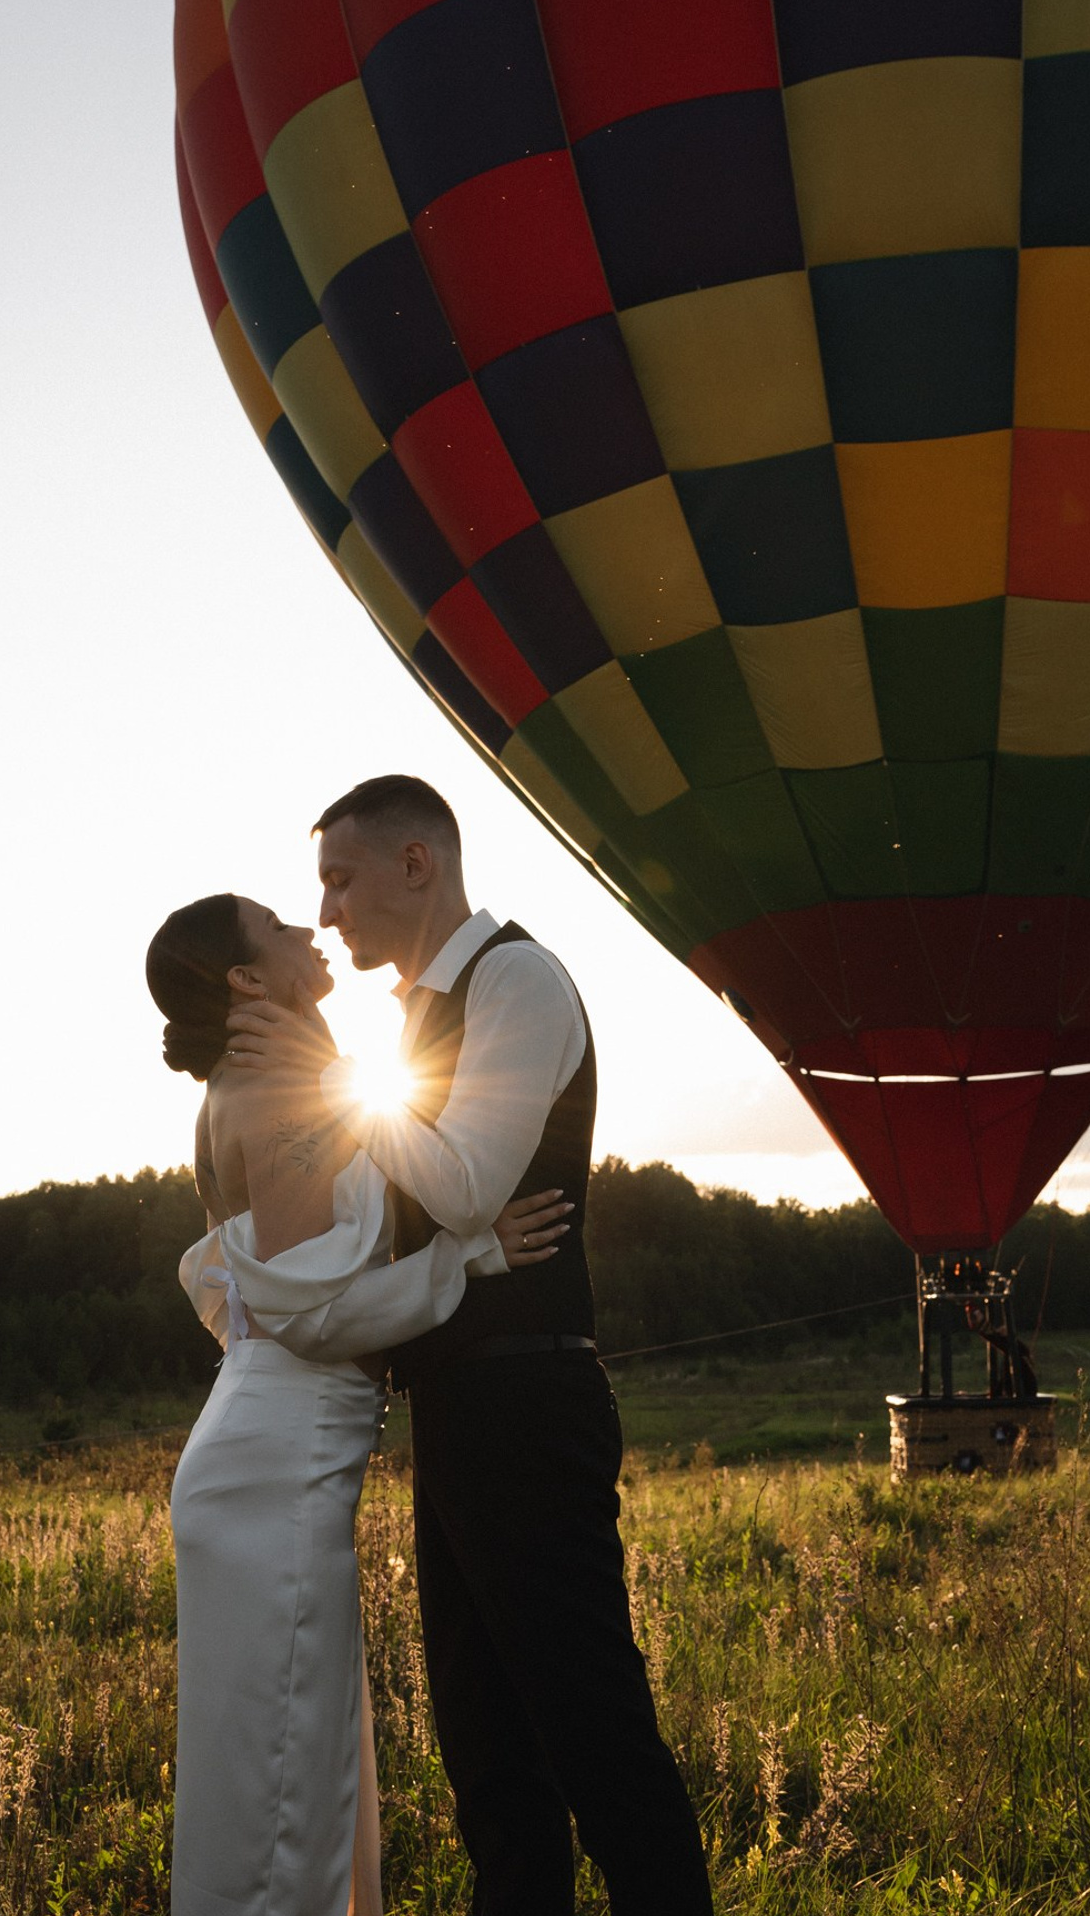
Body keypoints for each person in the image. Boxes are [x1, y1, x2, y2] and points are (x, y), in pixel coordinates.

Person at [225, 776, 713, 1916]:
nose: (329, 912)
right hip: (456, 1410)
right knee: (491, 1765)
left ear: (417, 865)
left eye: (339, 880)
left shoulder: (519, 982)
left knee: (596, 1738)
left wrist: (341, 1085)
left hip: (530, 1399)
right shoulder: (411, 1017)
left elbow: (463, 1186)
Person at [147, 891, 570, 1916]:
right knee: (282, 1776)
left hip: (275, 1454)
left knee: (298, 1758)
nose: (309, 929)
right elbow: (308, 1313)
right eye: (280, 927)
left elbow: (253, 1290)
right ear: (249, 979)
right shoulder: (276, 1090)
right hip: (274, 1470)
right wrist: (472, 1252)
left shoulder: (277, 1079)